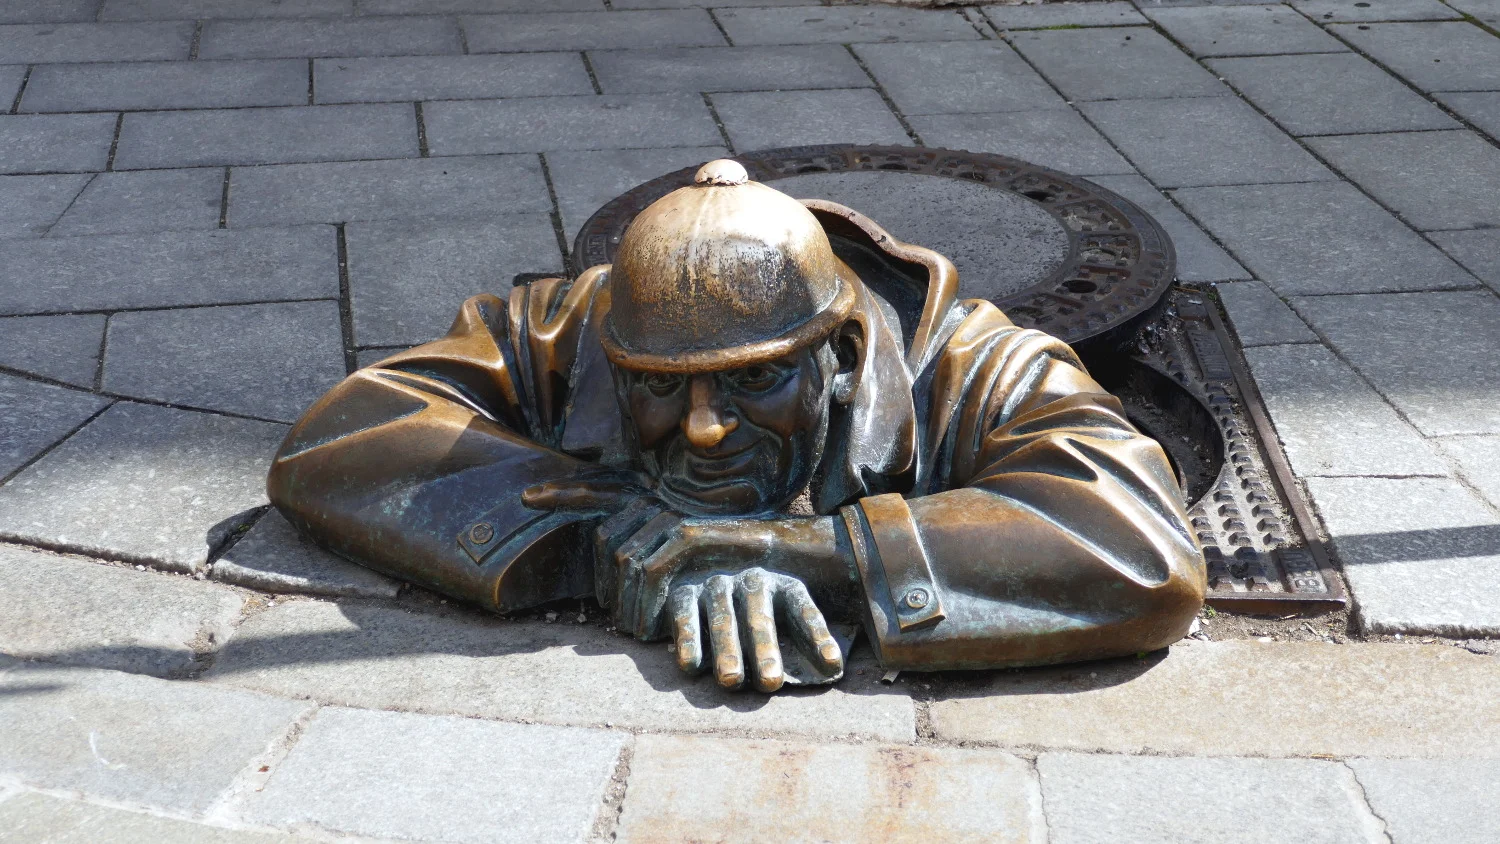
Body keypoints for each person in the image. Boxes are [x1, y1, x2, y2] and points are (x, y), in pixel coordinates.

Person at [268, 159, 1204, 693]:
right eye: (659, 388)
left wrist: (816, 553)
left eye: (755, 379)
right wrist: (606, 537)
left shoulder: (979, 364)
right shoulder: (578, 327)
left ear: (840, 354)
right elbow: (340, 437)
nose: (706, 429)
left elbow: (1142, 550)